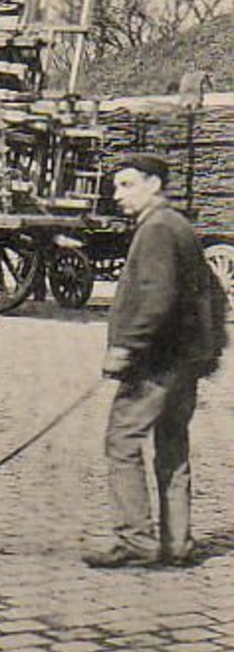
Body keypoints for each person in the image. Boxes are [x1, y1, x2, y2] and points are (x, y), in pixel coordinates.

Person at [84, 154, 226, 569]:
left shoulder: (158, 230)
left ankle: (136, 540)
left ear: (154, 184)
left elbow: (157, 299)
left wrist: (125, 346)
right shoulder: (178, 226)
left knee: (122, 441)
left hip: (155, 363)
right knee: (172, 444)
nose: (117, 195)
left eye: (126, 185)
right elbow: (210, 296)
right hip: (183, 360)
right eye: (116, 186)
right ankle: (176, 541)